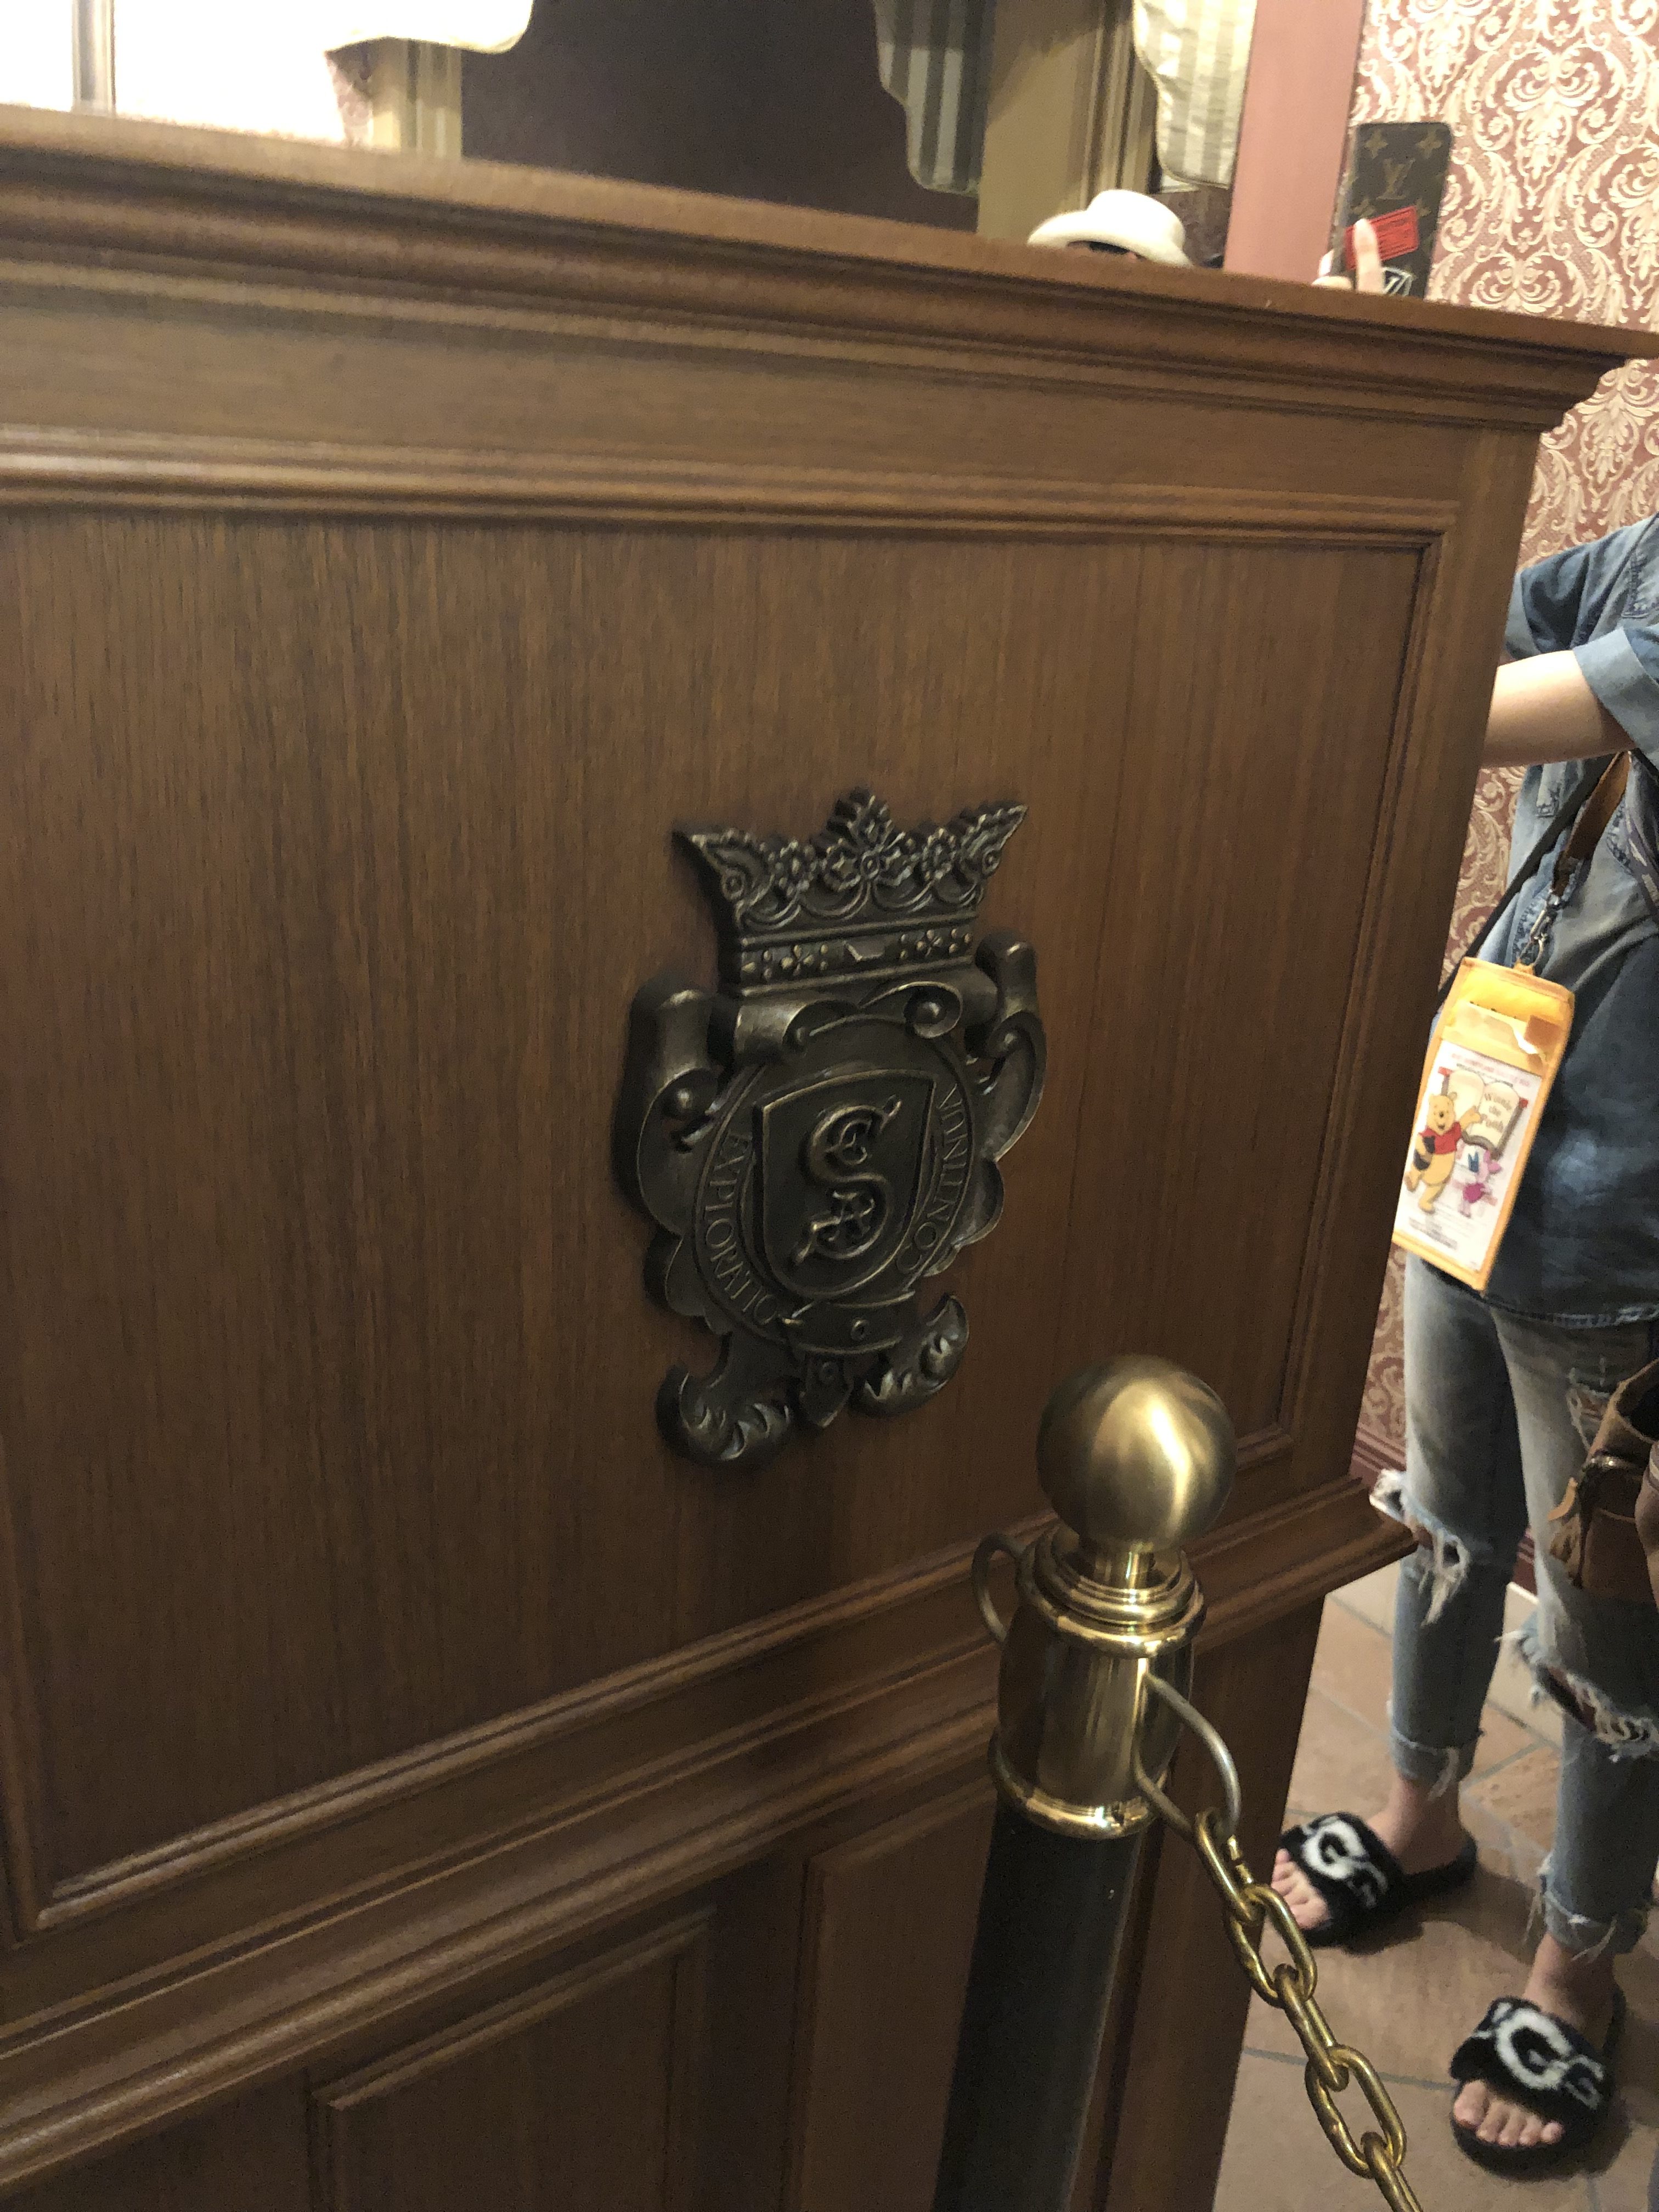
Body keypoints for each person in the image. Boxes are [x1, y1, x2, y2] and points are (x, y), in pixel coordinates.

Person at [1273, 219, 1659, 2174]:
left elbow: (1456, 692)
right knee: (1442, 1516)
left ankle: (1582, 1956)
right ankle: (1423, 1812)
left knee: (1604, 1620)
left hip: (1624, 1225)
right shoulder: (1648, 553)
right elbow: (1486, 609)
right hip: (1476, 1150)